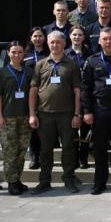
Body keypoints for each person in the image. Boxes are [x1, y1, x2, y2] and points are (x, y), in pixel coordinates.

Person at [29, 31, 82, 195]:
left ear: (64, 44)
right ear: (48, 44)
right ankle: (44, 181)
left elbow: (77, 91)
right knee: (45, 149)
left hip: (67, 114)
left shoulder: (72, 64)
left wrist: (77, 114)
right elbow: (33, 90)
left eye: (58, 42)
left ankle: (69, 178)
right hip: (45, 114)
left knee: (68, 147)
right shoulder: (41, 64)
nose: (55, 45)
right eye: (52, 42)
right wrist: (32, 114)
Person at [81, 28, 111, 195]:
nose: (108, 42)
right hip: (99, 109)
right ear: (99, 41)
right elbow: (86, 88)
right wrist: (87, 111)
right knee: (100, 148)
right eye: (105, 39)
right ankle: (99, 182)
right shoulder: (92, 61)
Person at [0, 41, 32, 195]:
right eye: (13, 52)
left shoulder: (28, 72)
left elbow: (32, 94)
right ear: (8, 53)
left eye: (20, 52)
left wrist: (32, 114)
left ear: (24, 54)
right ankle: (11, 182)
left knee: (21, 150)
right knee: (10, 150)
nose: (17, 55)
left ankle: (17, 179)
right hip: (8, 117)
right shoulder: (2, 72)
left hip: (25, 116)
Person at [66, 25, 93, 169]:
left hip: (86, 95)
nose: (77, 37)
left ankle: (83, 157)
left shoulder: (91, 54)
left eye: (80, 35)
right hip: (69, 97)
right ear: (70, 36)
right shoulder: (65, 54)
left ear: (84, 37)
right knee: (72, 129)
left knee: (86, 129)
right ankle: (74, 158)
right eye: (74, 34)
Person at [24, 27, 49, 169]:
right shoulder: (24, 54)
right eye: (35, 36)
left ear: (45, 38)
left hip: (46, 93)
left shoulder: (49, 53)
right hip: (29, 93)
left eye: (40, 36)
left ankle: (45, 155)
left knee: (46, 127)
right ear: (31, 38)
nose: (38, 39)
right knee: (32, 127)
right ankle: (34, 157)